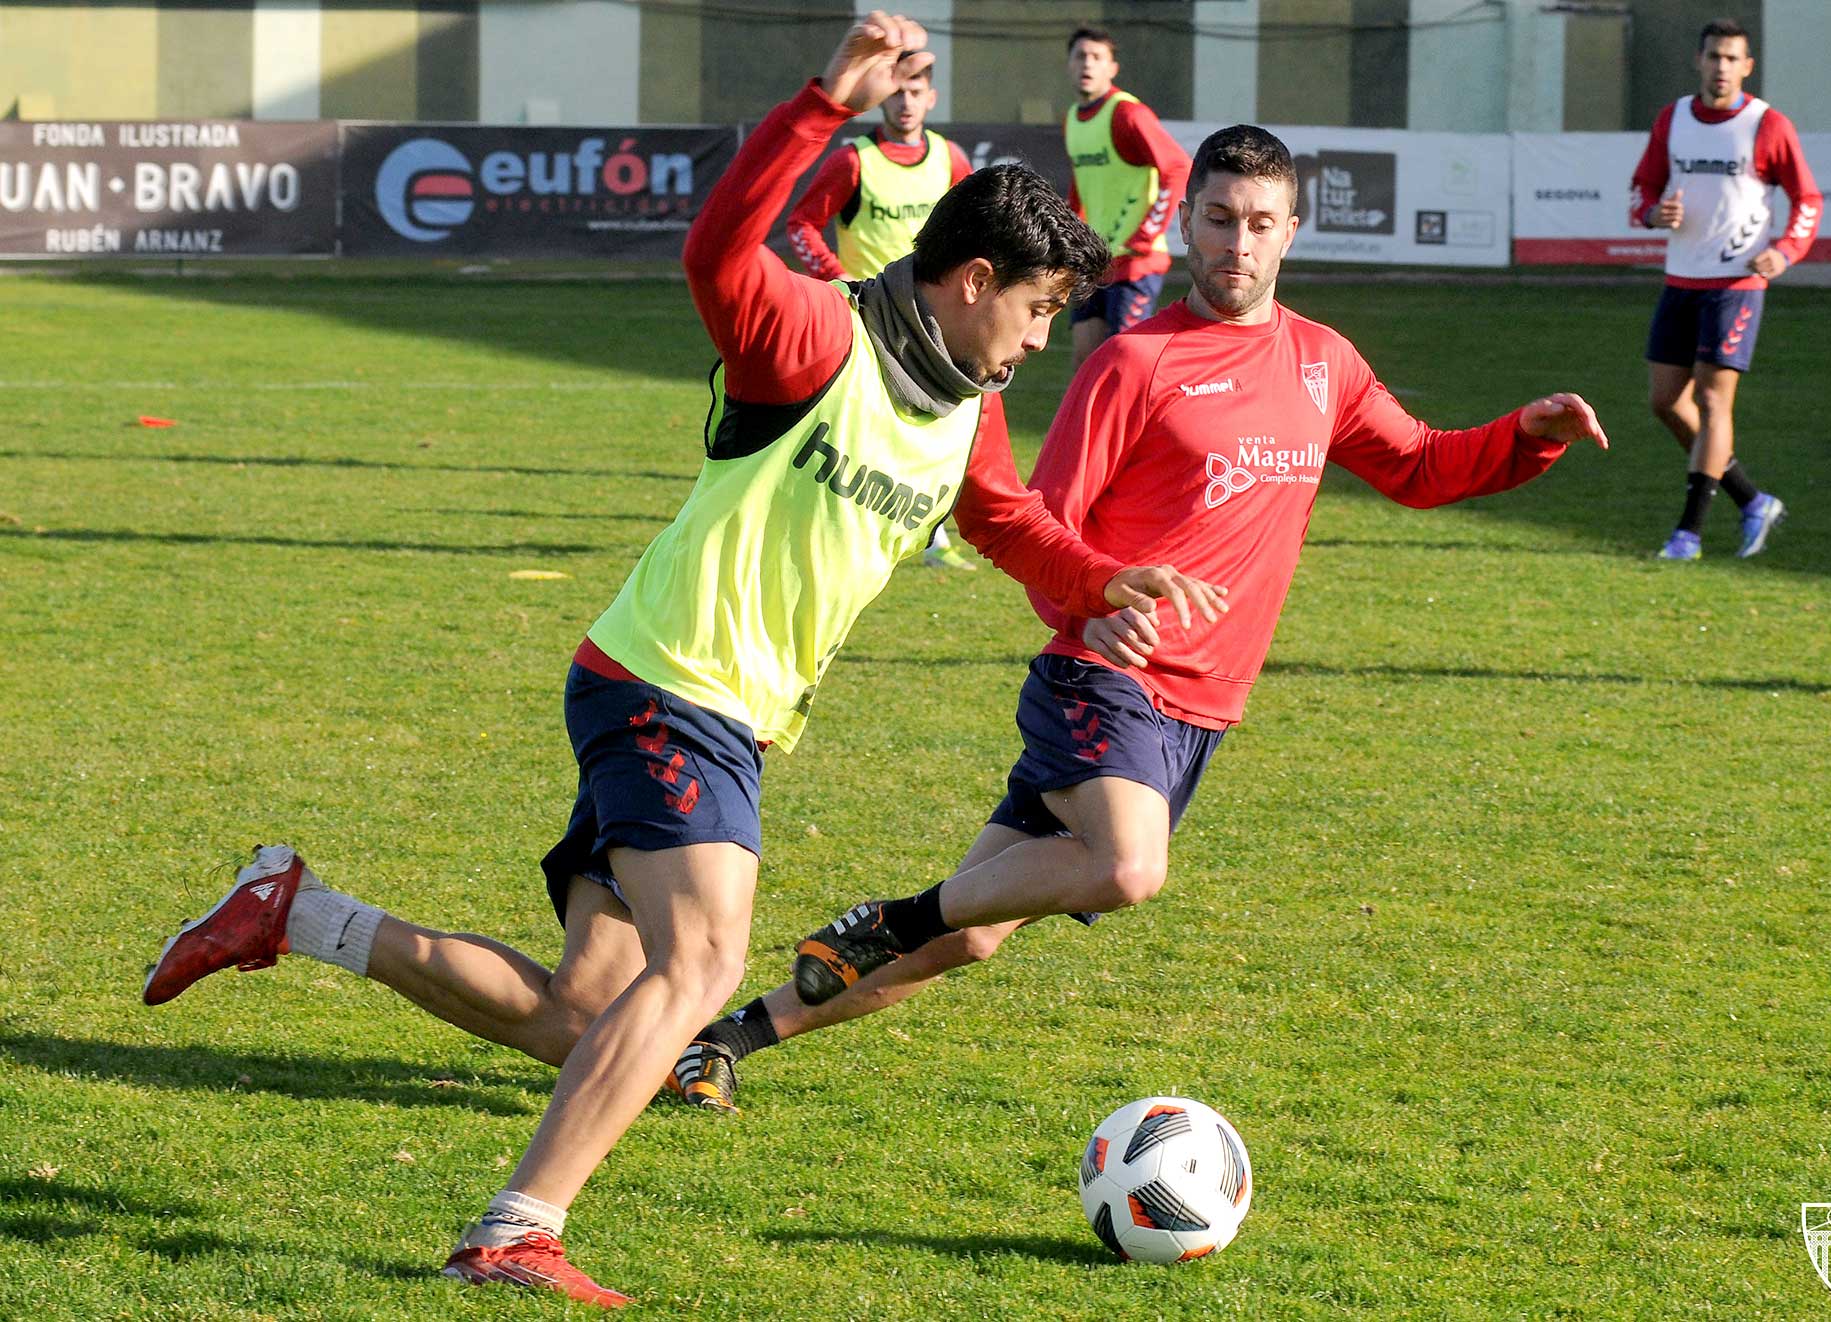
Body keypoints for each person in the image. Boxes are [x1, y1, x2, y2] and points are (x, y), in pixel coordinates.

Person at [138, 12, 1226, 1309]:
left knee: (579, 1020)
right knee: (705, 966)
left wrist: (1101, 585)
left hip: (719, 712)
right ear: (977, 278)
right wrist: (822, 102)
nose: (1049, 339)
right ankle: (514, 1228)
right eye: (1043, 310)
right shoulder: (819, 341)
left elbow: (1003, 521)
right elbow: (718, 251)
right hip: (667, 687)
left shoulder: (965, 409)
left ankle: (297, 908)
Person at [671, 124, 1610, 1113]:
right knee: (1126, 865)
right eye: (1216, 219)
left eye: (1258, 224)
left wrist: (1524, 438)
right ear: (1190, 222)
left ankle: (731, 1033)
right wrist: (1098, 596)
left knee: (979, 930)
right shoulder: (1133, 363)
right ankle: (890, 917)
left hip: (1200, 713)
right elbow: (1045, 532)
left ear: (1292, 230)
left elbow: (1417, 466)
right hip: (1106, 685)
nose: (1235, 246)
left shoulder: (1324, 364)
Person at [1629, 16, 1821, 561]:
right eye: (1713, 56)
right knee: (1665, 402)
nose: (1721, 67)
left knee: (1713, 401)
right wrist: (1652, 212)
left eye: (1731, 58)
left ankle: (1687, 534)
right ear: (1699, 60)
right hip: (1680, 279)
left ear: (1747, 66)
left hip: (1735, 284)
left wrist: (1784, 251)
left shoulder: (1768, 124)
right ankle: (1752, 500)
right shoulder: (1674, 119)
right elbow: (1643, 186)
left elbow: (1807, 199)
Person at [787, 63, 980, 571]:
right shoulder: (854, 161)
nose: (906, 103)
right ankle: (840, 529)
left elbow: (977, 228)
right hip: (870, 317)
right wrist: (841, 280)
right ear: (880, 101)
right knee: (860, 429)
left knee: (935, 430)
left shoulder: (949, 159)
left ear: (932, 97)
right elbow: (803, 224)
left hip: (937, 321)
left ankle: (930, 537)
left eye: (915, 92)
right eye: (896, 93)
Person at [1062, 25, 1190, 375]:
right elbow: (1081, 189)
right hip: (1095, 261)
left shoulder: (1127, 114)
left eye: (1097, 57)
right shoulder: (1073, 119)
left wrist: (1147, 233)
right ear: (1069, 65)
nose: (1087, 64)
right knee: (1085, 366)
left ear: (1112, 68)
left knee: (1125, 366)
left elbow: (1178, 167)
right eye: (1080, 56)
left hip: (1134, 263)